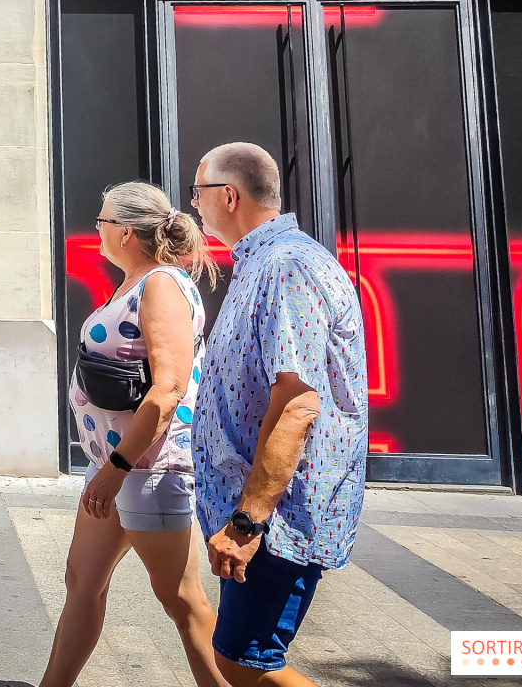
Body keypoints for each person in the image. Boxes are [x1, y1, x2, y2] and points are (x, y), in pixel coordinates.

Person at [190, 143, 367, 687]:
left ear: (229, 195)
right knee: (240, 656)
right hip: (257, 511)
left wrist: (249, 520)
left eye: (198, 194)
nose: (194, 207)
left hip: (276, 518)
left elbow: (296, 404)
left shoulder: (287, 266)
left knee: (245, 661)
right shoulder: (261, 262)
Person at [39, 182, 226, 687]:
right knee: (83, 582)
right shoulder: (137, 281)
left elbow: (168, 387)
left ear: (125, 231)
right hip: (118, 471)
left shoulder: (161, 285)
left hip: (145, 470)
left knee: (184, 602)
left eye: (101, 221)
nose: (95, 229)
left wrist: (117, 470)